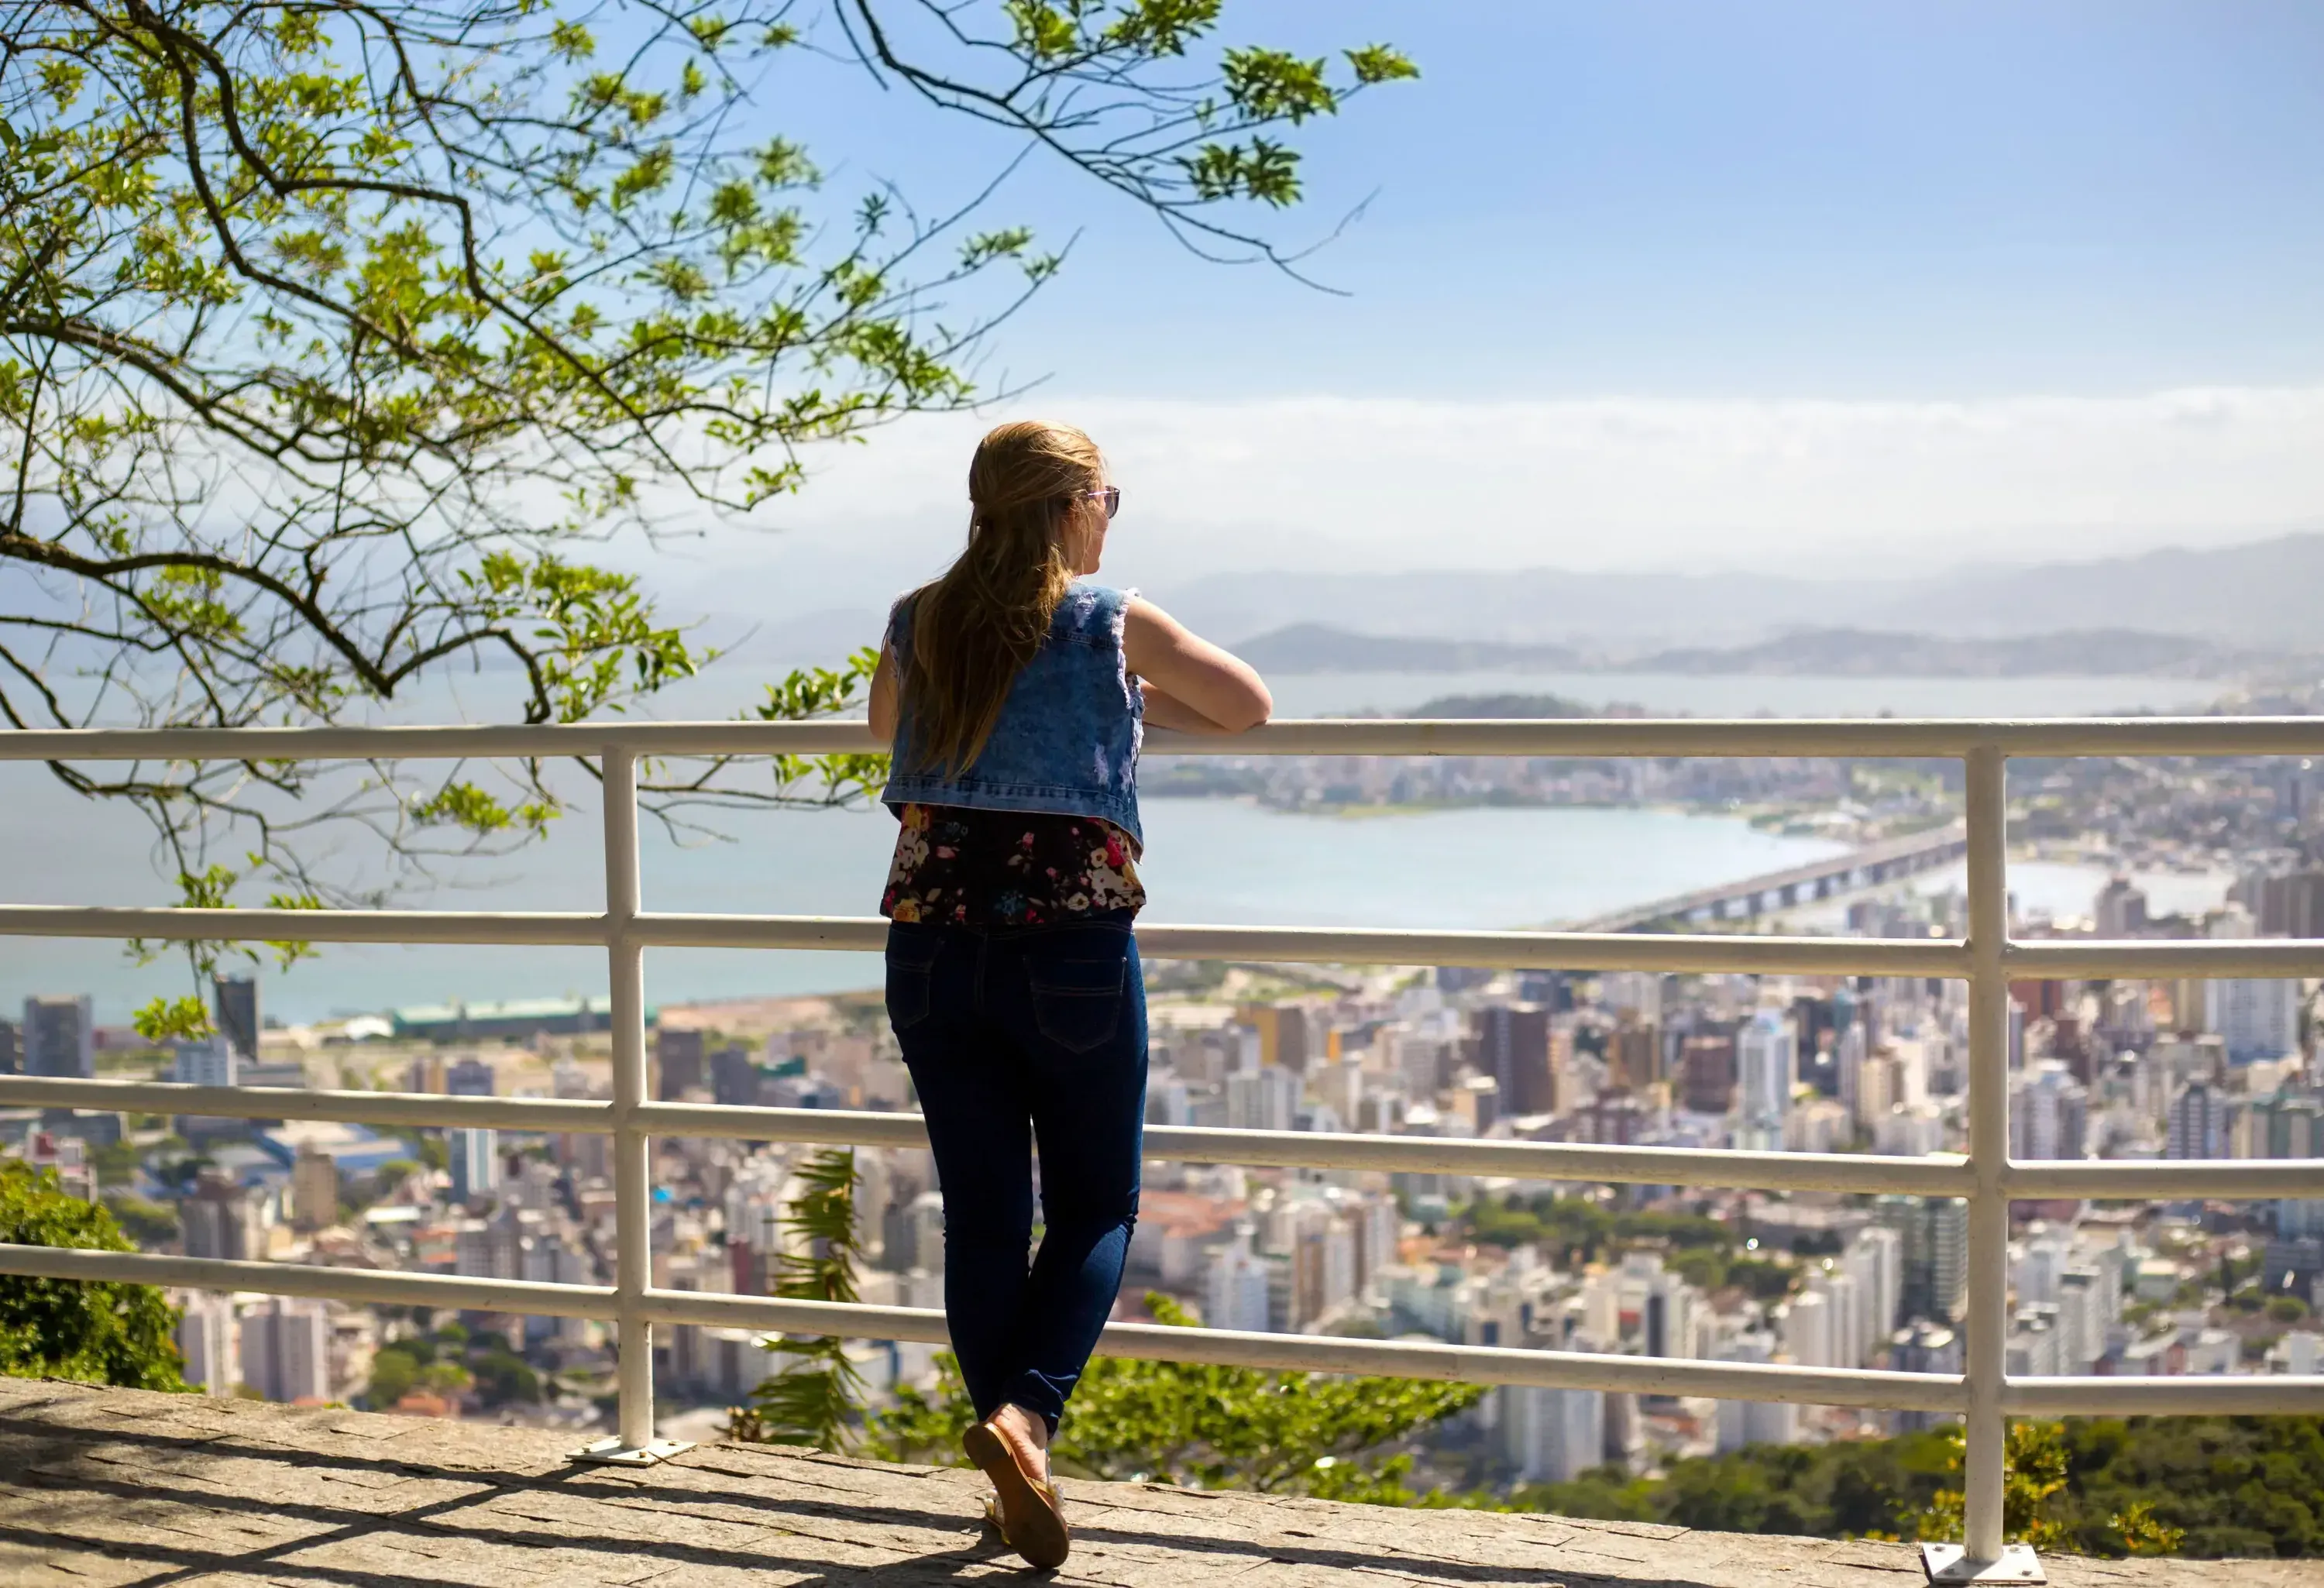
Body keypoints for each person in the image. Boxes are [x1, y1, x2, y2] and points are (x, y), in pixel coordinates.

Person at [867, 419, 1270, 1568]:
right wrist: (1127, 695)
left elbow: (884, 733)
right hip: (1073, 953)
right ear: (1069, 502)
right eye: (1108, 495)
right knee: (1096, 1204)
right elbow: (1249, 705)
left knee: (987, 1216)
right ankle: (1028, 1415)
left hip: (932, 948)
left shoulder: (917, 618)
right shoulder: (1110, 621)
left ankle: (1012, 1474)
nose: (1113, 514)